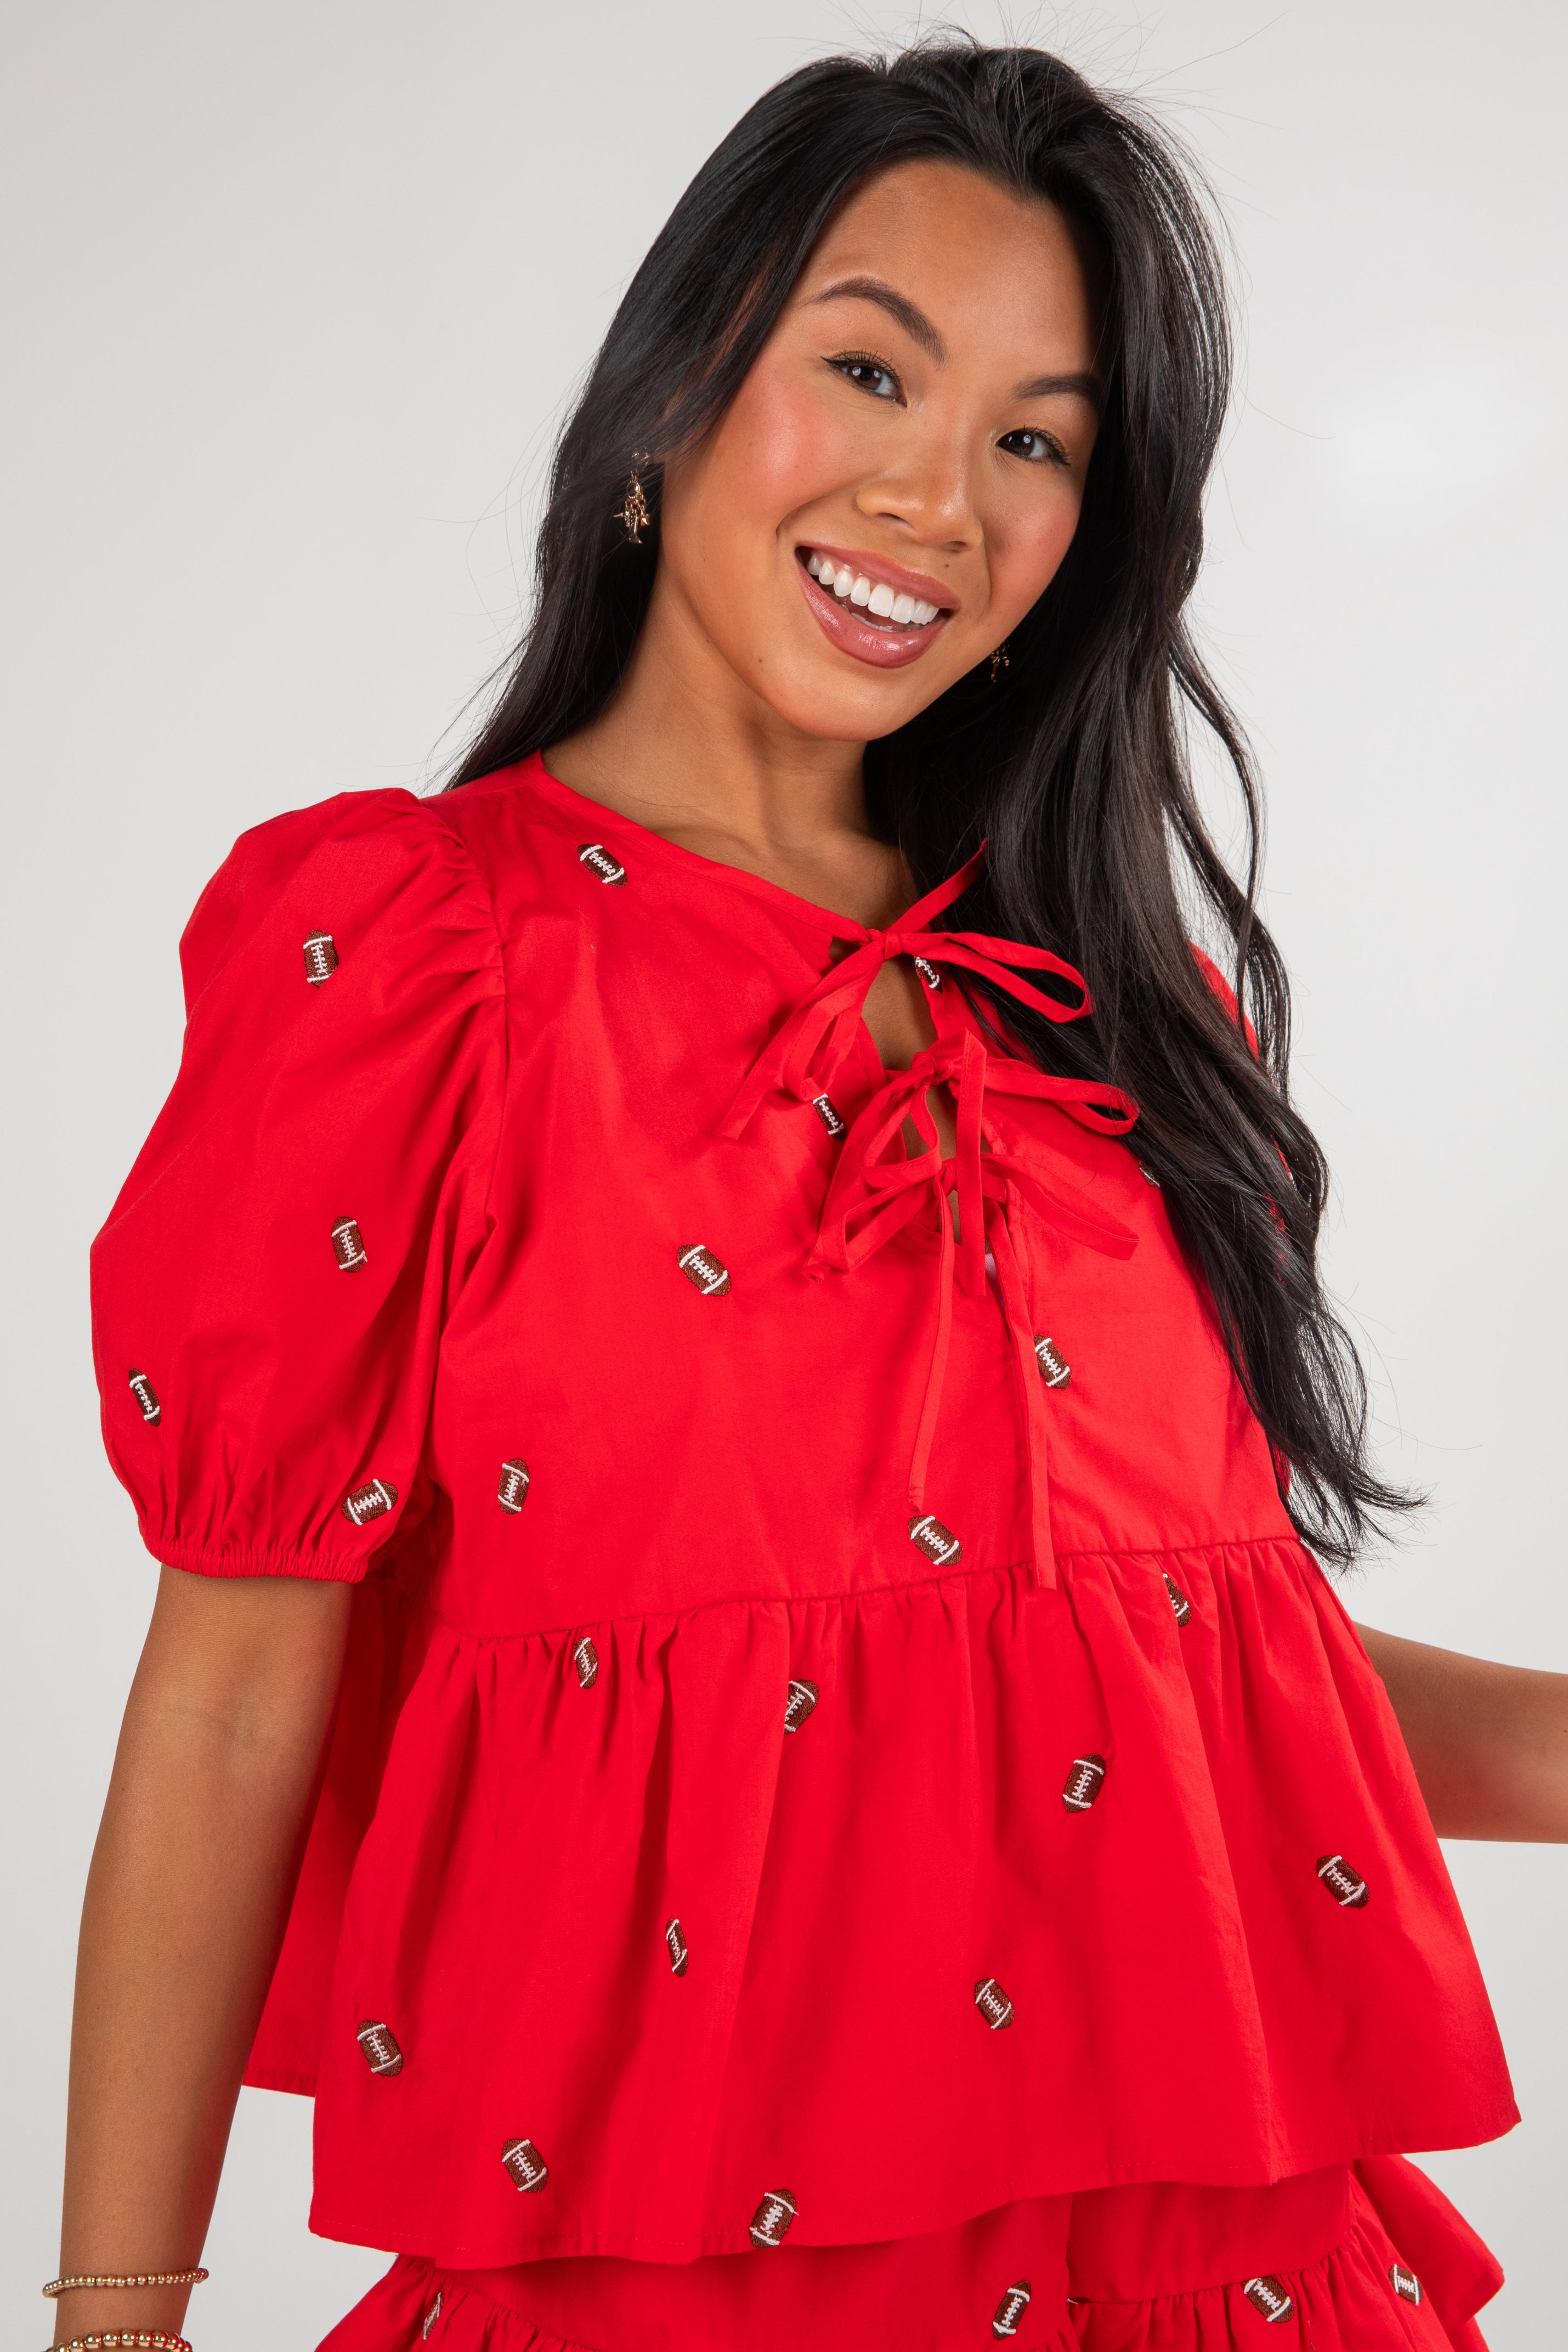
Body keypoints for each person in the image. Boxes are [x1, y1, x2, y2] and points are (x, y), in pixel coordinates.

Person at [53, 37, 1567, 2352]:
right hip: (679, 2295)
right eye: (868, 366)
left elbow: (1174, 1682)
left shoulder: (1115, 1011)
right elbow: (231, 1698)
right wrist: (112, 2318)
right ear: (670, 391)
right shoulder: (408, 954)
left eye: (1034, 441)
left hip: (1231, 2286)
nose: (939, 497)